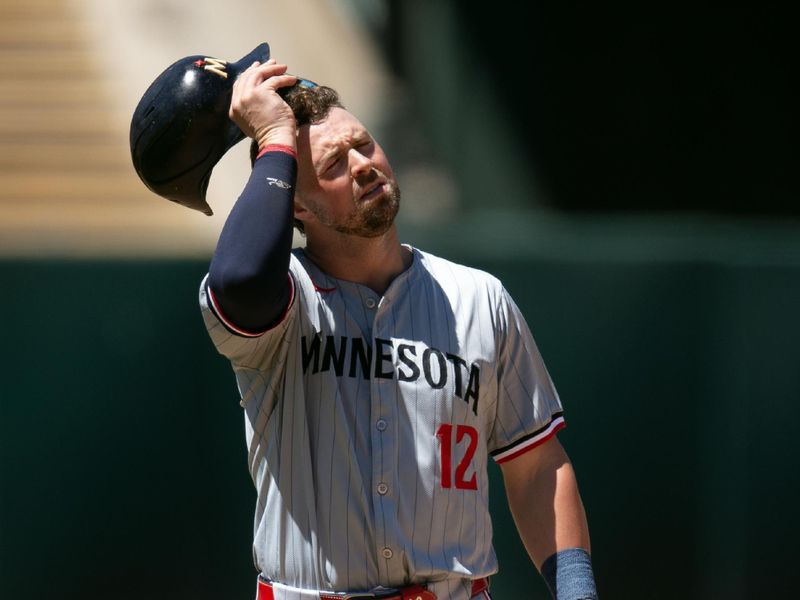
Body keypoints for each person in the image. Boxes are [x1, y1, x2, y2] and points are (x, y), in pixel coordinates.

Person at [199, 58, 598, 600]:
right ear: (296, 206)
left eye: (364, 144)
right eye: (336, 163)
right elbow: (240, 280)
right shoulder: (281, 302)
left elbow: (537, 465)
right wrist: (273, 137)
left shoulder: (479, 298)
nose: (363, 164)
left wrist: (576, 591)